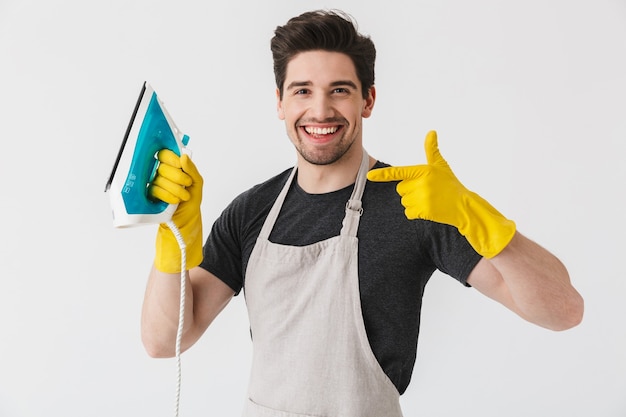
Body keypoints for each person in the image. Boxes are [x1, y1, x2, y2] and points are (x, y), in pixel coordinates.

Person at [140, 9, 584, 416]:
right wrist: (171, 234)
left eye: (339, 90)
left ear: (367, 100)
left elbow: (563, 311)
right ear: (280, 102)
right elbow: (165, 340)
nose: (320, 110)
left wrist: (479, 217)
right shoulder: (251, 211)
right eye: (302, 91)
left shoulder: (416, 204)